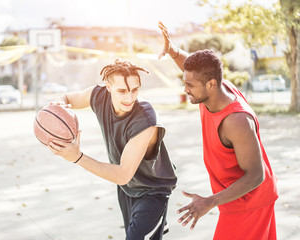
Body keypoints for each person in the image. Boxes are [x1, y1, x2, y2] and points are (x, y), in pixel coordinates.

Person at [158, 21, 278, 239]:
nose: (185, 90)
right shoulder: (215, 89)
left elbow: (256, 175)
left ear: (211, 84)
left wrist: (210, 201)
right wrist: (173, 51)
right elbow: (192, 69)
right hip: (238, 199)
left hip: (249, 203)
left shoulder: (236, 120)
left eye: (190, 86)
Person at [48, 58, 177, 240]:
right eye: (122, 91)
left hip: (152, 191)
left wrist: (77, 157)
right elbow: (68, 99)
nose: (129, 98)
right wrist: (57, 106)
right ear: (108, 87)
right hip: (127, 189)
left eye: (134, 90)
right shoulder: (98, 95)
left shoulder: (146, 119)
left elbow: (123, 173)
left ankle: (156, 218)